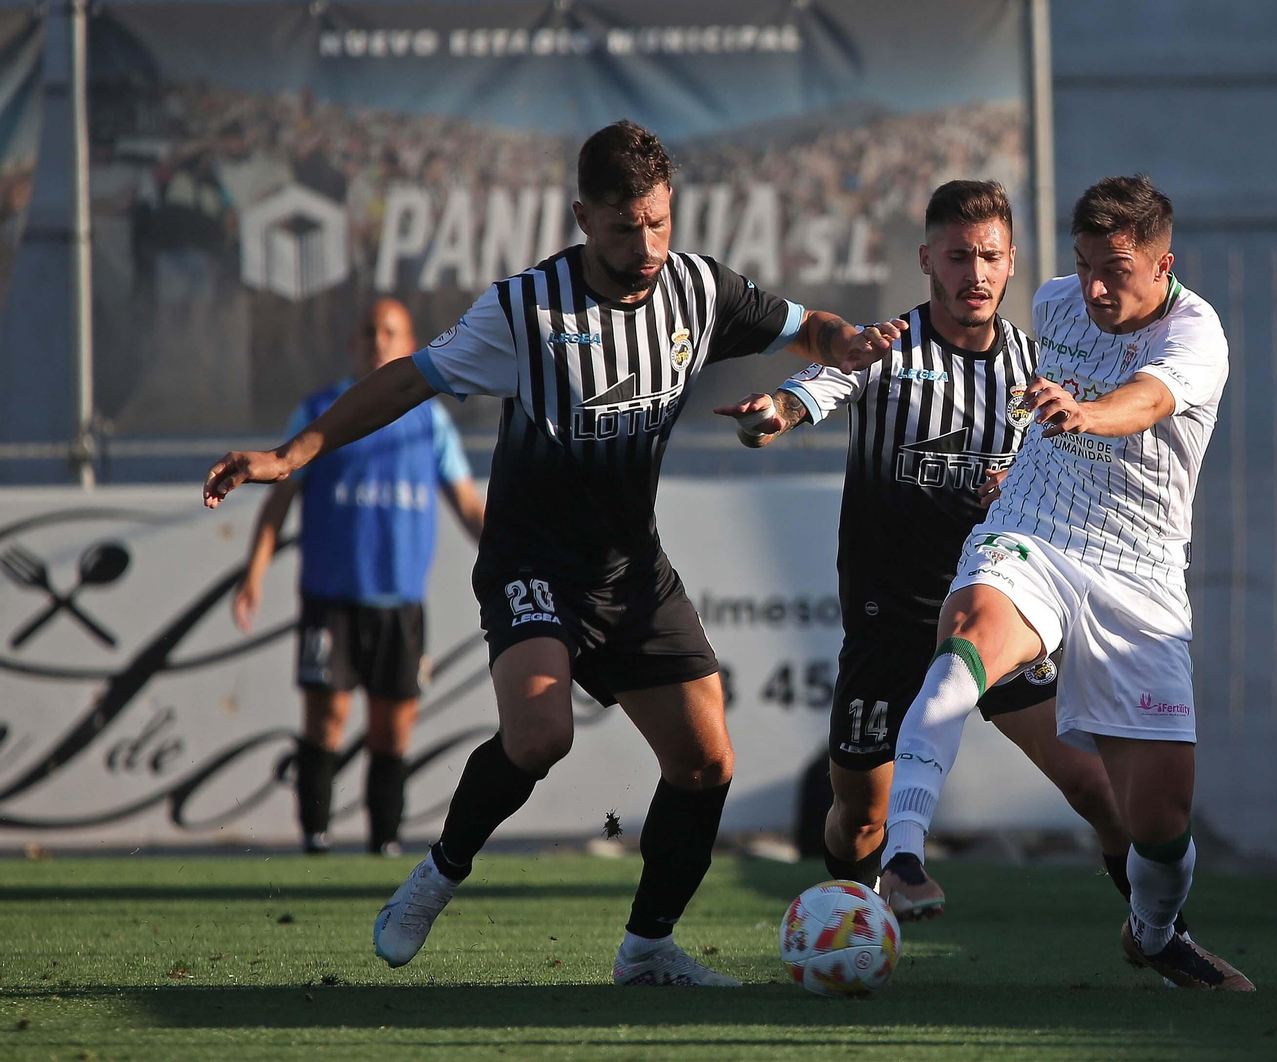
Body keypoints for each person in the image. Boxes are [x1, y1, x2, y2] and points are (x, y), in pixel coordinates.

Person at [202, 120, 900, 988]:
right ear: (581, 217)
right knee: (539, 736)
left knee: (705, 762)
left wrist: (849, 345)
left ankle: (647, 950)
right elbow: (407, 378)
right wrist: (294, 454)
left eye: (656, 223)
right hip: (531, 562)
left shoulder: (697, 290)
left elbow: (810, 327)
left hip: (631, 570)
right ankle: (437, 874)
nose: (644, 246)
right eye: (621, 228)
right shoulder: (525, 310)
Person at [713, 180, 1187, 938]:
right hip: (891, 624)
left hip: (996, 610)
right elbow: (808, 392)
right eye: (959, 256)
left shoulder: (1038, 365)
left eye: (991, 256)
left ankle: (1155, 933)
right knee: (857, 822)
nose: (976, 273)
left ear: (1011, 263)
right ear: (927, 259)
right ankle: (851, 907)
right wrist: (768, 416)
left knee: (1094, 788)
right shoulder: (887, 350)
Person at [875, 175, 1254, 991]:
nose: (1093, 288)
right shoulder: (1054, 303)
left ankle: (1153, 934)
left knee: (1158, 822)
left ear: (1163, 265)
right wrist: (1019, 462)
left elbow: (1145, 402)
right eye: (1083, 265)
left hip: (1138, 578)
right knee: (967, 636)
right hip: (1034, 538)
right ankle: (902, 854)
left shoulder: (1197, 335)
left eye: (1114, 269)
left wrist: (1084, 413)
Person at [232, 298, 484, 856]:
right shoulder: (321, 412)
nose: (377, 342)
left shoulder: (430, 420)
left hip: (400, 603)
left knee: (392, 729)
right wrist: (253, 573)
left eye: (389, 332)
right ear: (353, 344)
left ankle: (384, 844)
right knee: (326, 718)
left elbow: (467, 504)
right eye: (368, 332)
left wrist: (518, 555)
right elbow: (278, 502)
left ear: (410, 342)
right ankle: (314, 837)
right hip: (332, 598)